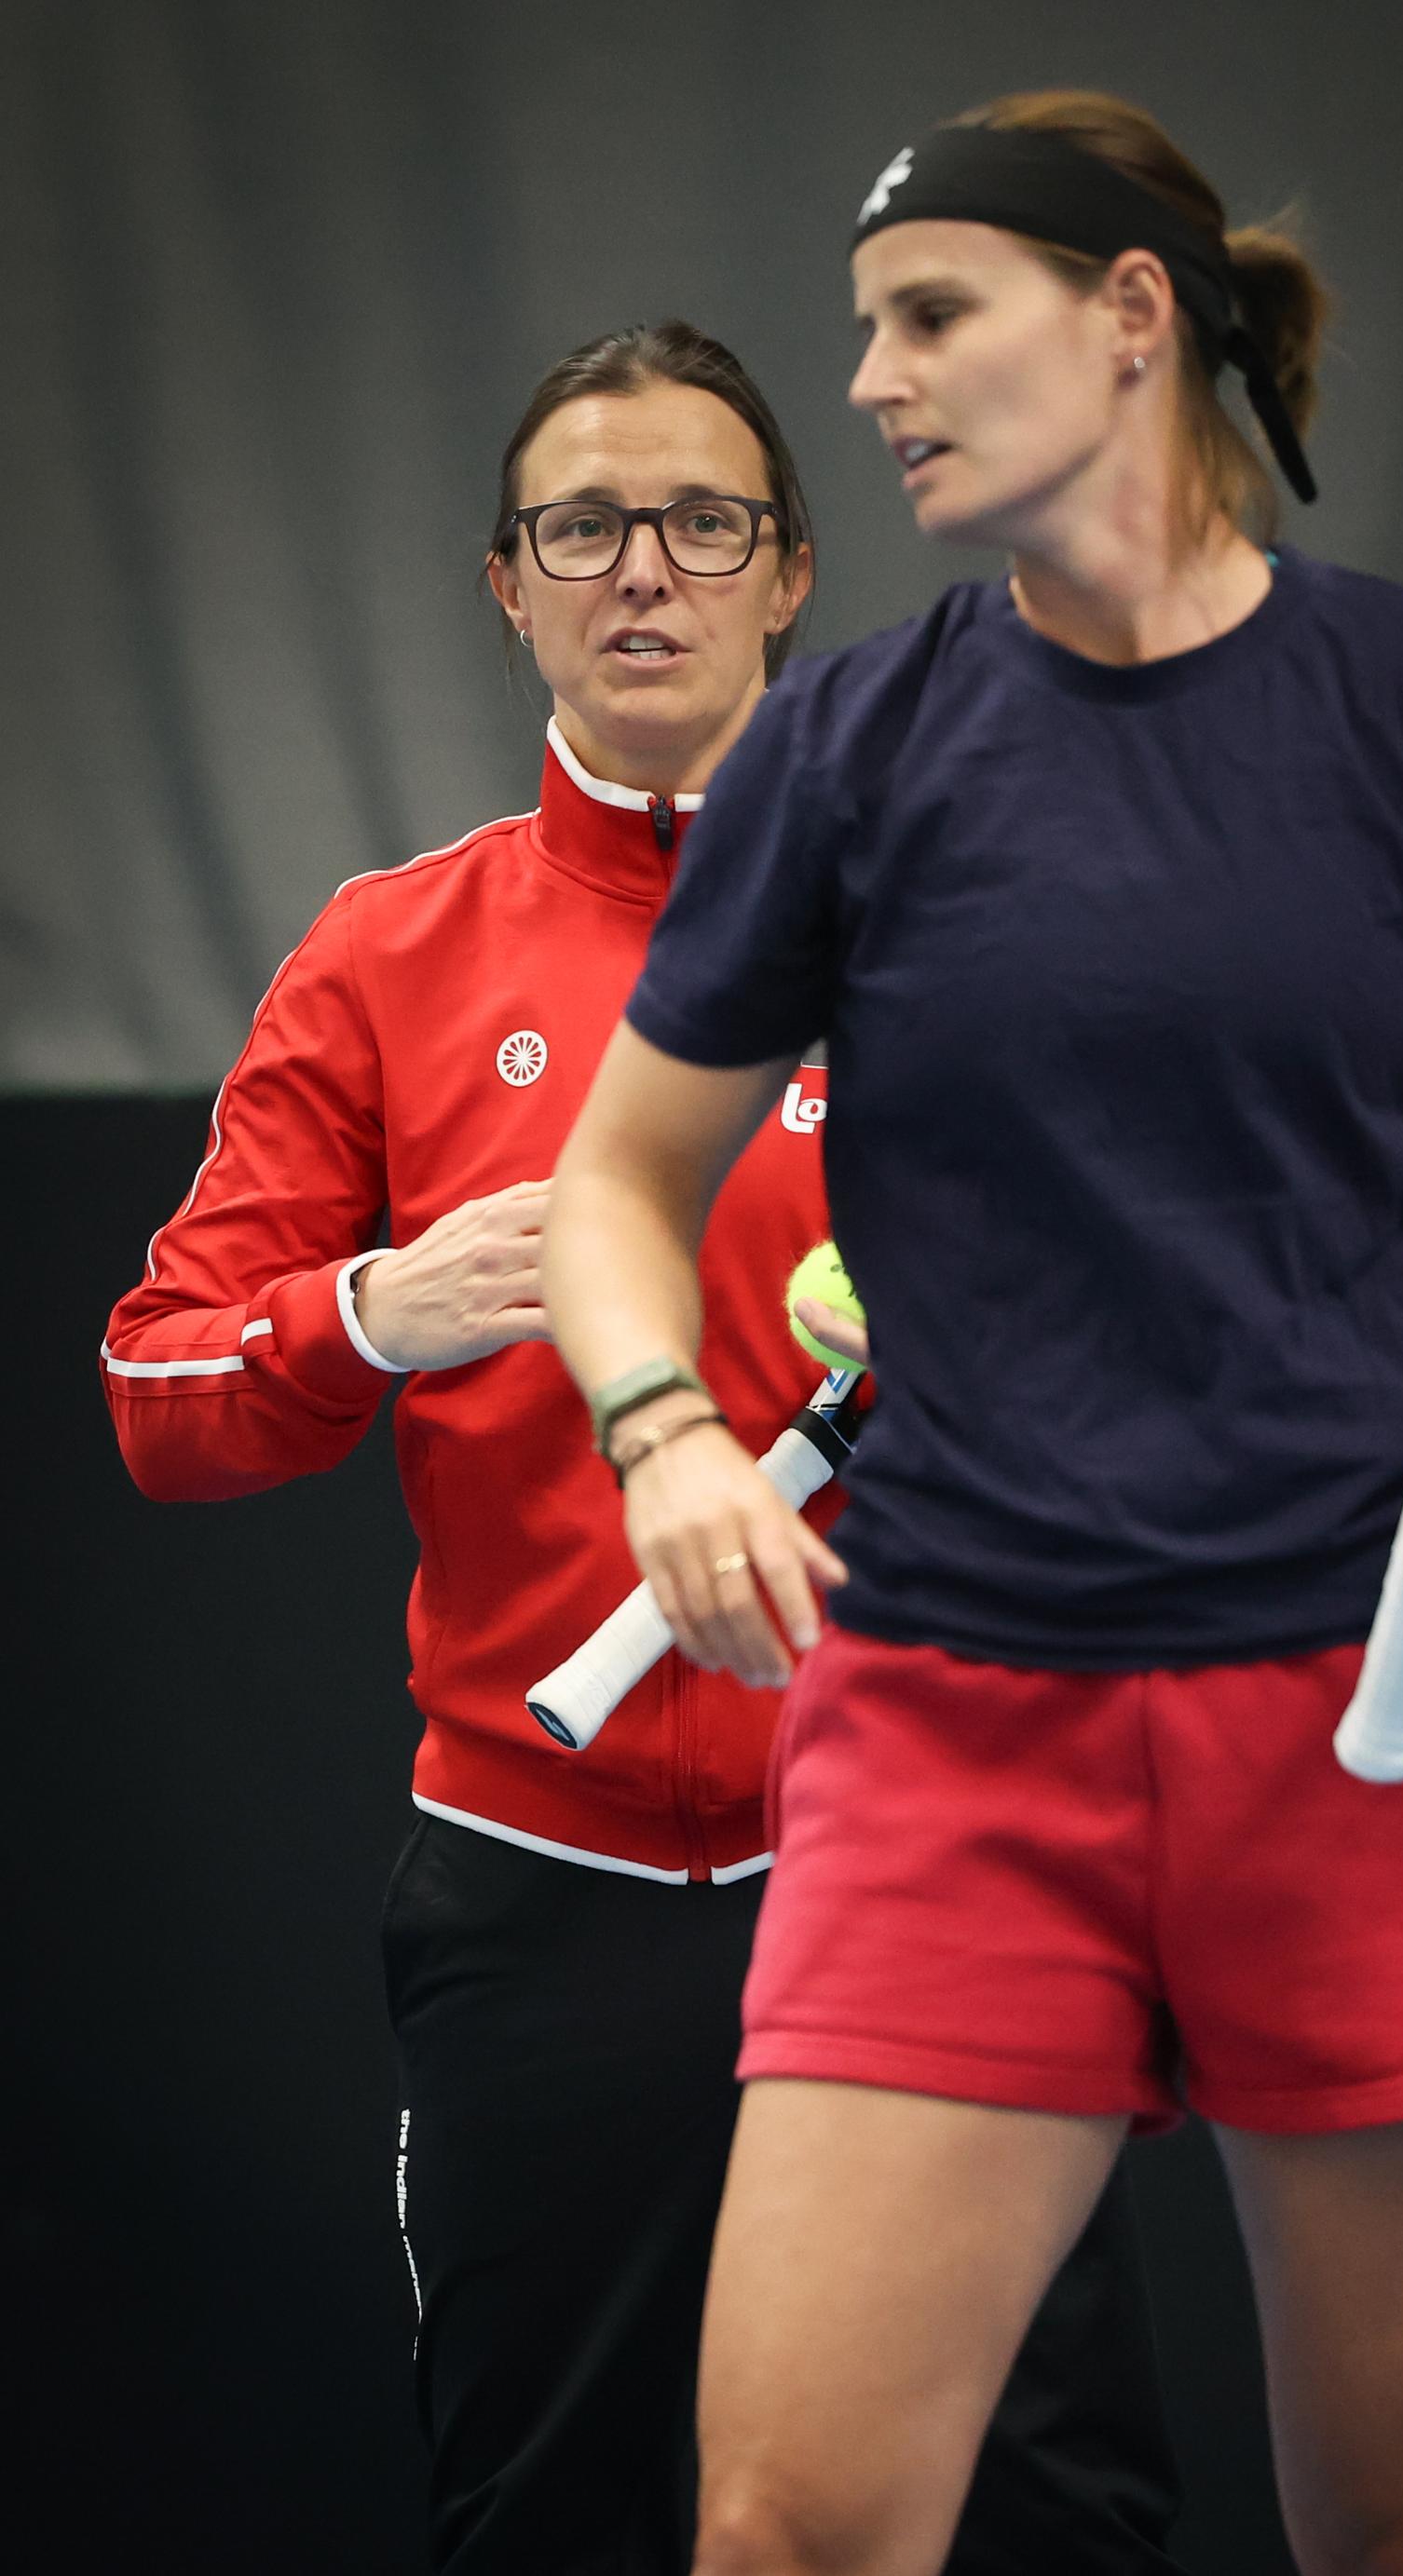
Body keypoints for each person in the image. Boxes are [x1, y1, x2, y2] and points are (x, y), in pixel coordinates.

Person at [541, 92, 1403, 2576]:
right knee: (792, 2519)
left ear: (1132, 317)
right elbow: (620, 1181)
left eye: (931, 316)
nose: (873, 380)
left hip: (1381, 1715)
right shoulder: (848, 746)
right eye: (872, 328)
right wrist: (662, 1428)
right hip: (956, 1725)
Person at [100, 319, 1182, 2575]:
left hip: (929, 1870)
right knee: (558, 2522)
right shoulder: (382, 956)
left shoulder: (973, 913)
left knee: (1042, 2518)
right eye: (581, 526)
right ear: (508, 583)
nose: (642, 570)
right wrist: (371, 1311)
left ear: (792, 571)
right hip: (539, 1898)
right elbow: (159, 1397)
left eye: (704, 519)